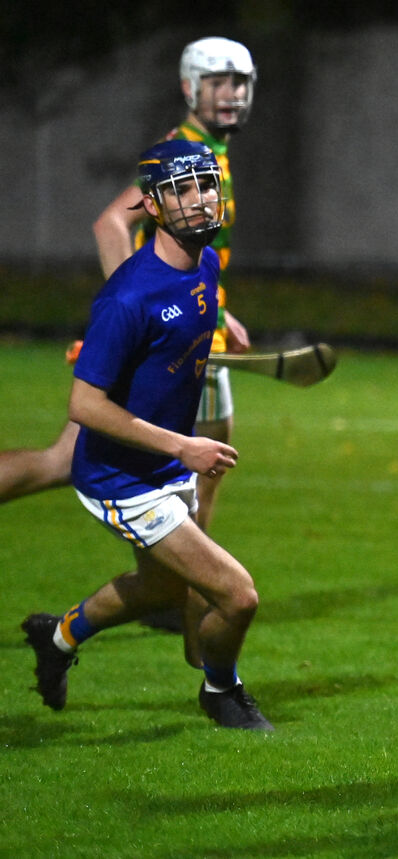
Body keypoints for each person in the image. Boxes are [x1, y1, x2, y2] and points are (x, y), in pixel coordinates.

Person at [20, 139, 272, 731]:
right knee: (237, 595)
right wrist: (183, 446)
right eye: (181, 191)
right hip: (122, 478)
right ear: (151, 206)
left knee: (159, 590)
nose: (199, 200)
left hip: (161, 468)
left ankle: (55, 639)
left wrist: (221, 323)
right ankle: (221, 691)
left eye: (206, 185)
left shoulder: (205, 265)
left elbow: (184, 318)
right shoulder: (127, 297)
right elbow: (84, 404)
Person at [0, 37, 256, 520]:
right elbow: (112, 222)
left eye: (240, 83)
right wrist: (142, 310)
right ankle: (191, 591)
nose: (231, 94)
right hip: (171, 335)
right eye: (218, 83)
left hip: (192, 322)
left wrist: (220, 309)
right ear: (190, 88)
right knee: (207, 459)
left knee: (62, 462)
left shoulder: (209, 149)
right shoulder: (186, 155)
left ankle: (185, 587)